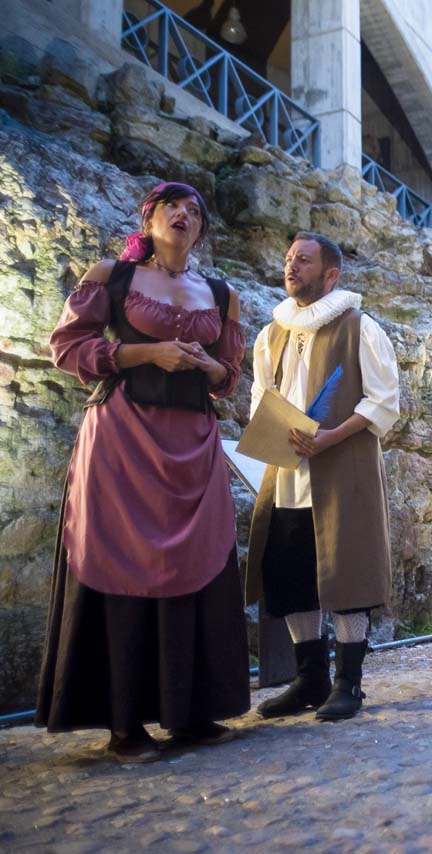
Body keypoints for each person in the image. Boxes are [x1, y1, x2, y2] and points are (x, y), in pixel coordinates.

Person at [36, 182, 248, 762]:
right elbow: (67, 347)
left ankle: (190, 713)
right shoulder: (112, 276)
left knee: (196, 563)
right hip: (123, 439)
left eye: (194, 210)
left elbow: (230, 378)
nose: (184, 214)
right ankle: (124, 724)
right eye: (171, 206)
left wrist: (209, 367)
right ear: (149, 220)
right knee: (123, 560)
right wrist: (145, 353)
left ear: (201, 231)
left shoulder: (223, 296)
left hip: (194, 443)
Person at [246, 232, 400, 721]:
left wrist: (330, 437)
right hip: (287, 472)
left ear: (330, 275)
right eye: (290, 258)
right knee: (292, 573)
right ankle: (309, 679)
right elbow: (260, 398)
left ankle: (348, 683)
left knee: (347, 570)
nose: (292, 266)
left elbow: (383, 401)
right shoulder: (271, 335)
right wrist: (272, 434)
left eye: (304, 260)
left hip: (342, 469)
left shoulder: (359, 328)